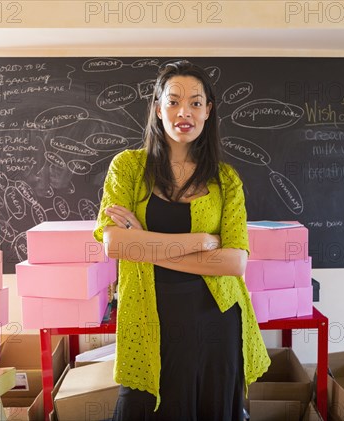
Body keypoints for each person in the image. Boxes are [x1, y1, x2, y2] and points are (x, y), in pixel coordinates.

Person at [93, 60, 270, 421]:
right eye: (173, 101)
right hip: (148, 318)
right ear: (158, 109)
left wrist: (142, 243)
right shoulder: (127, 167)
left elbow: (234, 262)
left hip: (216, 323)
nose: (183, 112)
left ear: (208, 111)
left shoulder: (225, 179)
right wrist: (201, 241)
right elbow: (114, 244)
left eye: (195, 102)